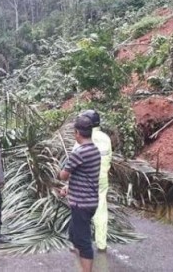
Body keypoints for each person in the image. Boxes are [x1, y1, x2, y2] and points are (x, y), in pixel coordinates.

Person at [58, 115, 101, 272]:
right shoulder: (94, 150)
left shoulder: (79, 153)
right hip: (90, 201)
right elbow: (85, 175)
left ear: (77, 133)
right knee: (74, 234)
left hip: (81, 204)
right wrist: (69, 188)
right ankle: (82, 265)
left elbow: (63, 175)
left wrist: (62, 170)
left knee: (83, 242)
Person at [79, 110, 112, 252]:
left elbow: (76, 161)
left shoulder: (84, 138)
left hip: (86, 180)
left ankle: (82, 243)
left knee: (82, 212)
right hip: (102, 179)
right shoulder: (106, 138)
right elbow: (109, 158)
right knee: (101, 210)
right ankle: (101, 244)